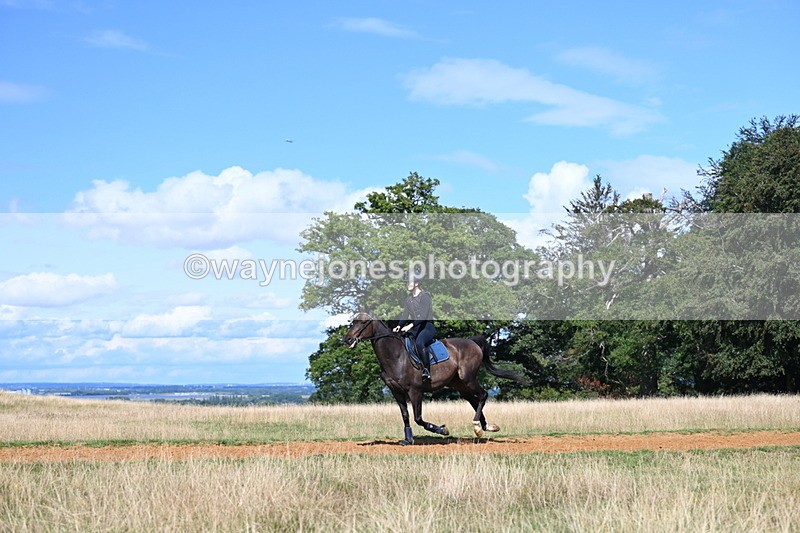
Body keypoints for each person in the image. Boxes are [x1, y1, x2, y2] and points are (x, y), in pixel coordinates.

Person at [393, 273, 435, 382]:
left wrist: (410, 325)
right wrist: (399, 326)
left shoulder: (425, 296)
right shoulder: (408, 300)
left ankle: (427, 370)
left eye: (409, 282)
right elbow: (404, 315)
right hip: (416, 328)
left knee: (419, 343)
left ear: (416, 283)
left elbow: (423, 316)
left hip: (427, 327)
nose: (407, 284)